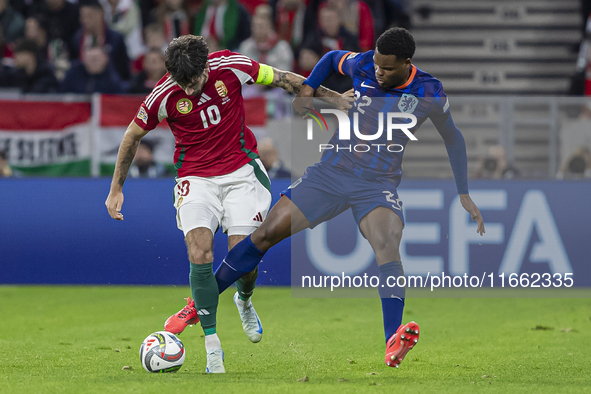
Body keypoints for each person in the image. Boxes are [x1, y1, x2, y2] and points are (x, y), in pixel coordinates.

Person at [169, 27, 486, 369]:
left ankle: (392, 340)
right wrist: (308, 93)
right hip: (330, 174)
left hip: (376, 184)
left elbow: (454, 139)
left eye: (387, 68)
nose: (377, 71)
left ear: (407, 63)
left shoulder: (429, 91)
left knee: (387, 244)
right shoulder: (363, 63)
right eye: (376, 64)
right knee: (263, 236)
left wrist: (464, 192)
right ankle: (200, 304)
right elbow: (333, 59)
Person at [105, 35, 346, 373]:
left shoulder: (232, 65)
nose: (189, 91)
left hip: (241, 173)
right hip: (195, 178)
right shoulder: (163, 95)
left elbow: (285, 79)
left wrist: (334, 99)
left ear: (206, 66)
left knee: (243, 262)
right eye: (182, 84)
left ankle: (244, 299)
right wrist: (116, 189)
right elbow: (132, 136)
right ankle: (212, 345)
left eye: (195, 82)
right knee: (199, 252)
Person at [61, 45, 128, 94]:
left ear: (105, 59)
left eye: (96, 59)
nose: (93, 62)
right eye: (90, 59)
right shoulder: (73, 75)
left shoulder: (112, 78)